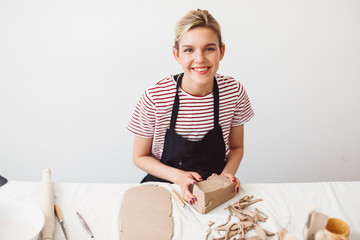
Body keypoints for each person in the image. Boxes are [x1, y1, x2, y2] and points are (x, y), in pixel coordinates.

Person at [127, 9, 254, 205]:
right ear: (176, 55)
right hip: (166, 185)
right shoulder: (155, 97)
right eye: (189, 50)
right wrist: (178, 177)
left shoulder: (234, 92)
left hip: (215, 188)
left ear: (222, 51)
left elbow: (237, 147)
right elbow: (139, 156)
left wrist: (227, 174)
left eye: (209, 49)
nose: (200, 59)